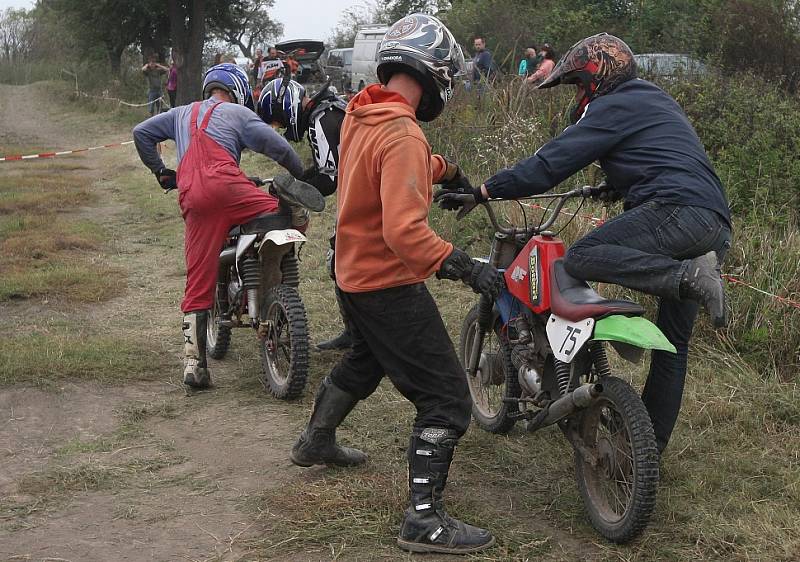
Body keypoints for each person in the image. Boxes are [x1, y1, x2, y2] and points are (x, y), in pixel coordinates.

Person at [435, 33, 732, 455]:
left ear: (596, 75)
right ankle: (642, 451)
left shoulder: (613, 104)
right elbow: (662, 157)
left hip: (676, 212)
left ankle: (686, 278)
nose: (578, 93)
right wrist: (617, 185)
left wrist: (486, 189)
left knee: (581, 255)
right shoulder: (654, 99)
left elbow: (550, 164)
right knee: (673, 346)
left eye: (577, 84)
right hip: (713, 223)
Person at [289, 14, 500, 554]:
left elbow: (386, 163)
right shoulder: (403, 131)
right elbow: (405, 233)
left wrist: (446, 171)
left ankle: (316, 439)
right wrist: (464, 265)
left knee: (365, 359)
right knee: (447, 399)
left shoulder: (364, 111)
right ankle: (423, 519)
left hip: (350, 273)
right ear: (439, 74)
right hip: (387, 284)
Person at [132, 63, 321, 390]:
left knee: (197, 278)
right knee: (283, 212)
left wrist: (162, 172)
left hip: (193, 195)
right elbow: (277, 147)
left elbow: (141, 133)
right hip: (231, 188)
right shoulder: (237, 112)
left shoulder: (180, 113)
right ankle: (276, 265)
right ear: (238, 91)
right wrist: (300, 175)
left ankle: (194, 364)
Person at [258, 78, 352, 350]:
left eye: (281, 121)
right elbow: (325, 169)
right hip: (367, 187)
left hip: (369, 192)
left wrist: (291, 191)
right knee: (341, 257)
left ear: (285, 107)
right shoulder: (328, 110)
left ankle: (360, 336)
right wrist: (294, 181)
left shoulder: (320, 119)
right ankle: (356, 333)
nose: (285, 129)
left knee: (342, 258)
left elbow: (328, 181)